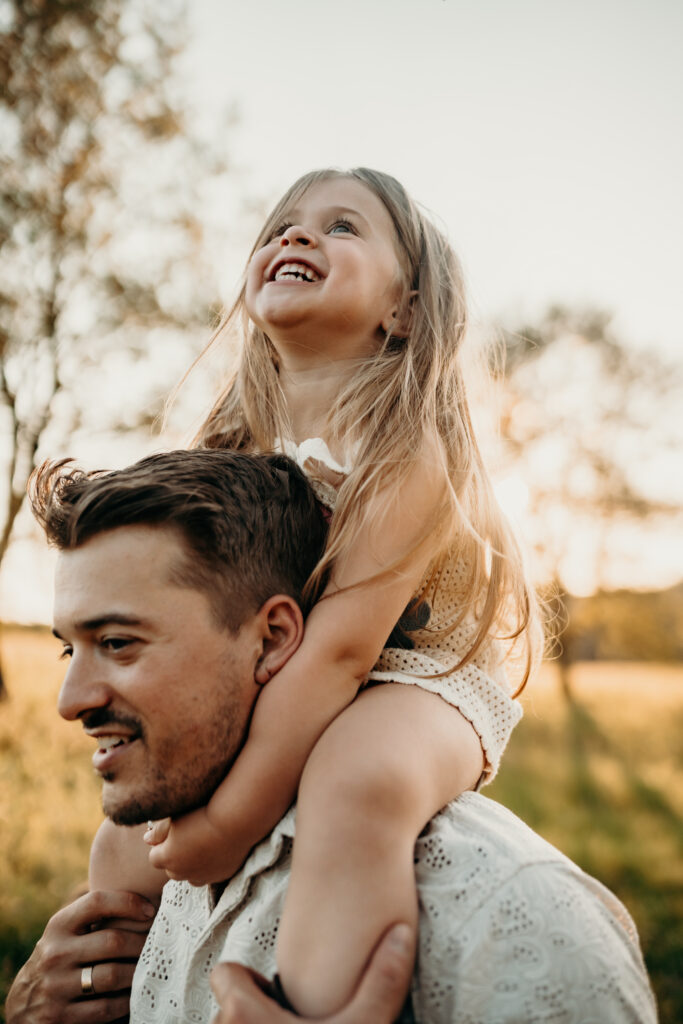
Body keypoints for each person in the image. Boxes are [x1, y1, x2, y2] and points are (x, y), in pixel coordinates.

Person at [92, 166, 545, 1017]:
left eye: (341, 227)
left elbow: (340, 653)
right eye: (282, 225)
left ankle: (316, 1003)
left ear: (403, 311)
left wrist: (226, 823)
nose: (297, 236)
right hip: (281, 669)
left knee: (356, 777)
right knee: (123, 841)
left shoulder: (406, 452)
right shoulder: (227, 449)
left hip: (413, 678)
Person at [6, 449, 656, 1023]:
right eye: (71, 650)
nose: (70, 703)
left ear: (274, 638)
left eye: (118, 643)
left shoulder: (513, 919)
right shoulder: (140, 884)